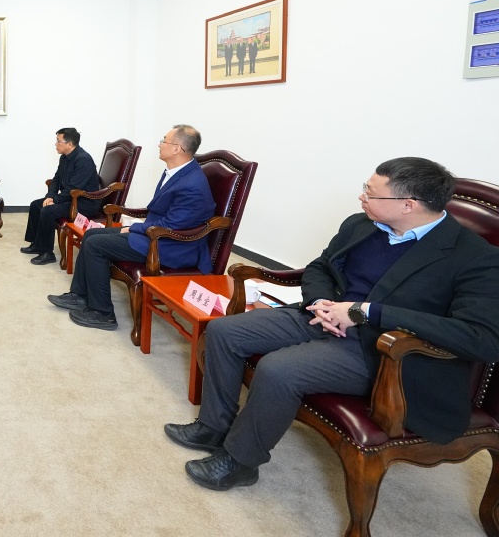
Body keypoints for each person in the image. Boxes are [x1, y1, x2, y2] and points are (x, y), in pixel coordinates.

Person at [164, 157, 499, 492]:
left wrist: (366, 312)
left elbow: (482, 338)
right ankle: (213, 427)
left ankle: (240, 462)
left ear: (408, 205)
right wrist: (320, 300)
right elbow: (321, 266)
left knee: (279, 370)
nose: (361, 196)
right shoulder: (361, 225)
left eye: (370, 192)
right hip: (322, 316)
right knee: (224, 331)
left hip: (381, 350)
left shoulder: (473, 257)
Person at [48, 124, 215, 330]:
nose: (159, 144)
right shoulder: (177, 172)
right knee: (91, 234)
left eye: (164, 140)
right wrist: (137, 226)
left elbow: (173, 225)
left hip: (170, 245)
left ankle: (103, 313)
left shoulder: (192, 183)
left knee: (95, 245)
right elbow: (161, 212)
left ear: (176, 149)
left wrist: (136, 228)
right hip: (154, 234)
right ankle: (80, 295)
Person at [22, 127, 101, 266]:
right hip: (70, 199)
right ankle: (37, 244)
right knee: (36, 205)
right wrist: (50, 196)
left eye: (59, 141)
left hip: (84, 203)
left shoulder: (84, 160)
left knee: (47, 211)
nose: (56, 144)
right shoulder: (64, 157)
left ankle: (47, 253)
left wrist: (56, 200)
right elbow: (56, 179)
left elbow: (74, 188)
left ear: (69, 144)